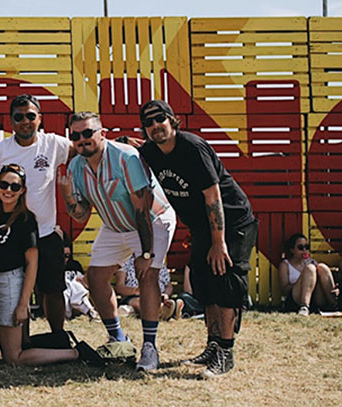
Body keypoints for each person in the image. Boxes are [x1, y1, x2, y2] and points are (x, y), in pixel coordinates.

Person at [139, 99, 258, 378]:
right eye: (148, 122)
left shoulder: (192, 147)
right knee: (204, 283)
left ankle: (225, 353)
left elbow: (212, 195)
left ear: (172, 119)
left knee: (225, 280)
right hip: (202, 227)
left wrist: (219, 243)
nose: (155, 126)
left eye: (160, 119)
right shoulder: (150, 151)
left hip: (231, 221)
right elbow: (130, 148)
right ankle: (213, 345)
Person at [58, 111, 176, 372]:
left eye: (88, 133)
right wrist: (67, 196)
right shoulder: (77, 166)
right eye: (75, 136)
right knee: (96, 277)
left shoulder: (126, 157)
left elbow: (142, 209)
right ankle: (118, 339)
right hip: (115, 225)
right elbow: (81, 215)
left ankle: (150, 347)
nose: (82, 140)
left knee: (148, 275)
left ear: (102, 133)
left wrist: (145, 254)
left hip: (151, 220)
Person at [0, 164, 94, 366]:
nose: (8, 190)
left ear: (22, 191)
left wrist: (22, 305)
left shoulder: (25, 220)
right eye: (4, 184)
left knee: (13, 358)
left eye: (14, 186)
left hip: (9, 283)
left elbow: (32, 264)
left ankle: (75, 354)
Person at [0, 94, 72, 333]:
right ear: (11, 122)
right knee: (16, 290)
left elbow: (84, 151)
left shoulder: (53, 144)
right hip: (11, 234)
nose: (25, 121)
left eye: (31, 116)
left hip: (45, 231)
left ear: (39, 119)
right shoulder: (1, 150)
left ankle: (58, 334)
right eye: (18, 117)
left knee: (52, 290)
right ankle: (22, 339)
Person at [279, 233, 337, 315]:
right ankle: (304, 306)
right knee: (310, 269)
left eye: (306, 247)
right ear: (292, 250)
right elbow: (285, 290)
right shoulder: (285, 264)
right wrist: (303, 280)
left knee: (322, 267)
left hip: (315, 298)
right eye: (300, 248)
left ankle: (334, 304)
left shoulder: (311, 262)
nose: (304, 250)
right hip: (296, 298)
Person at [114, 255, 179, 320]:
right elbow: (119, 287)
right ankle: (161, 311)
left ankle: (162, 311)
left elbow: (168, 285)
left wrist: (166, 294)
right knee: (139, 301)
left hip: (158, 295)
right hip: (134, 296)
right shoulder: (125, 261)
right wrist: (136, 291)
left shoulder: (158, 263)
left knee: (152, 300)